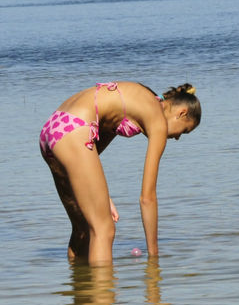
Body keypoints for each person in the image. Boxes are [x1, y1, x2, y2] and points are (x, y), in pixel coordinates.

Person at [40, 81, 201, 265]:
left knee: (83, 230)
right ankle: (102, 293)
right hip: (74, 132)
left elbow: (93, 150)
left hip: (53, 130)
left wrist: (101, 196)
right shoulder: (157, 119)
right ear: (182, 113)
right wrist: (154, 258)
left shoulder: (141, 98)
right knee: (103, 229)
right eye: (185, 130)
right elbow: (147, 198)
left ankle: (82, 290)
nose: (178, 138)